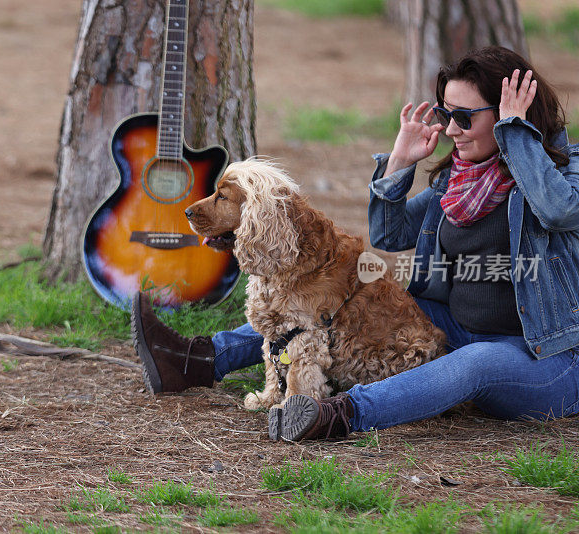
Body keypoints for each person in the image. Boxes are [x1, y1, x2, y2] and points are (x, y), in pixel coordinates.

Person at [131, 46, 579, 441]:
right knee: (342, 296)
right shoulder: (459, 182)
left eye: (465, 118)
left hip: (544, 354)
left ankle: (337, 414)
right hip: (451, 325)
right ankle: (197, 360)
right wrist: (399, 163)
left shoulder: (565, 170)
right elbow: (392, 234)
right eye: (446, 115)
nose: (450, 130)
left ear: (508, 116)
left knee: (479, 362)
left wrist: (517, 136)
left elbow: (557, 210)